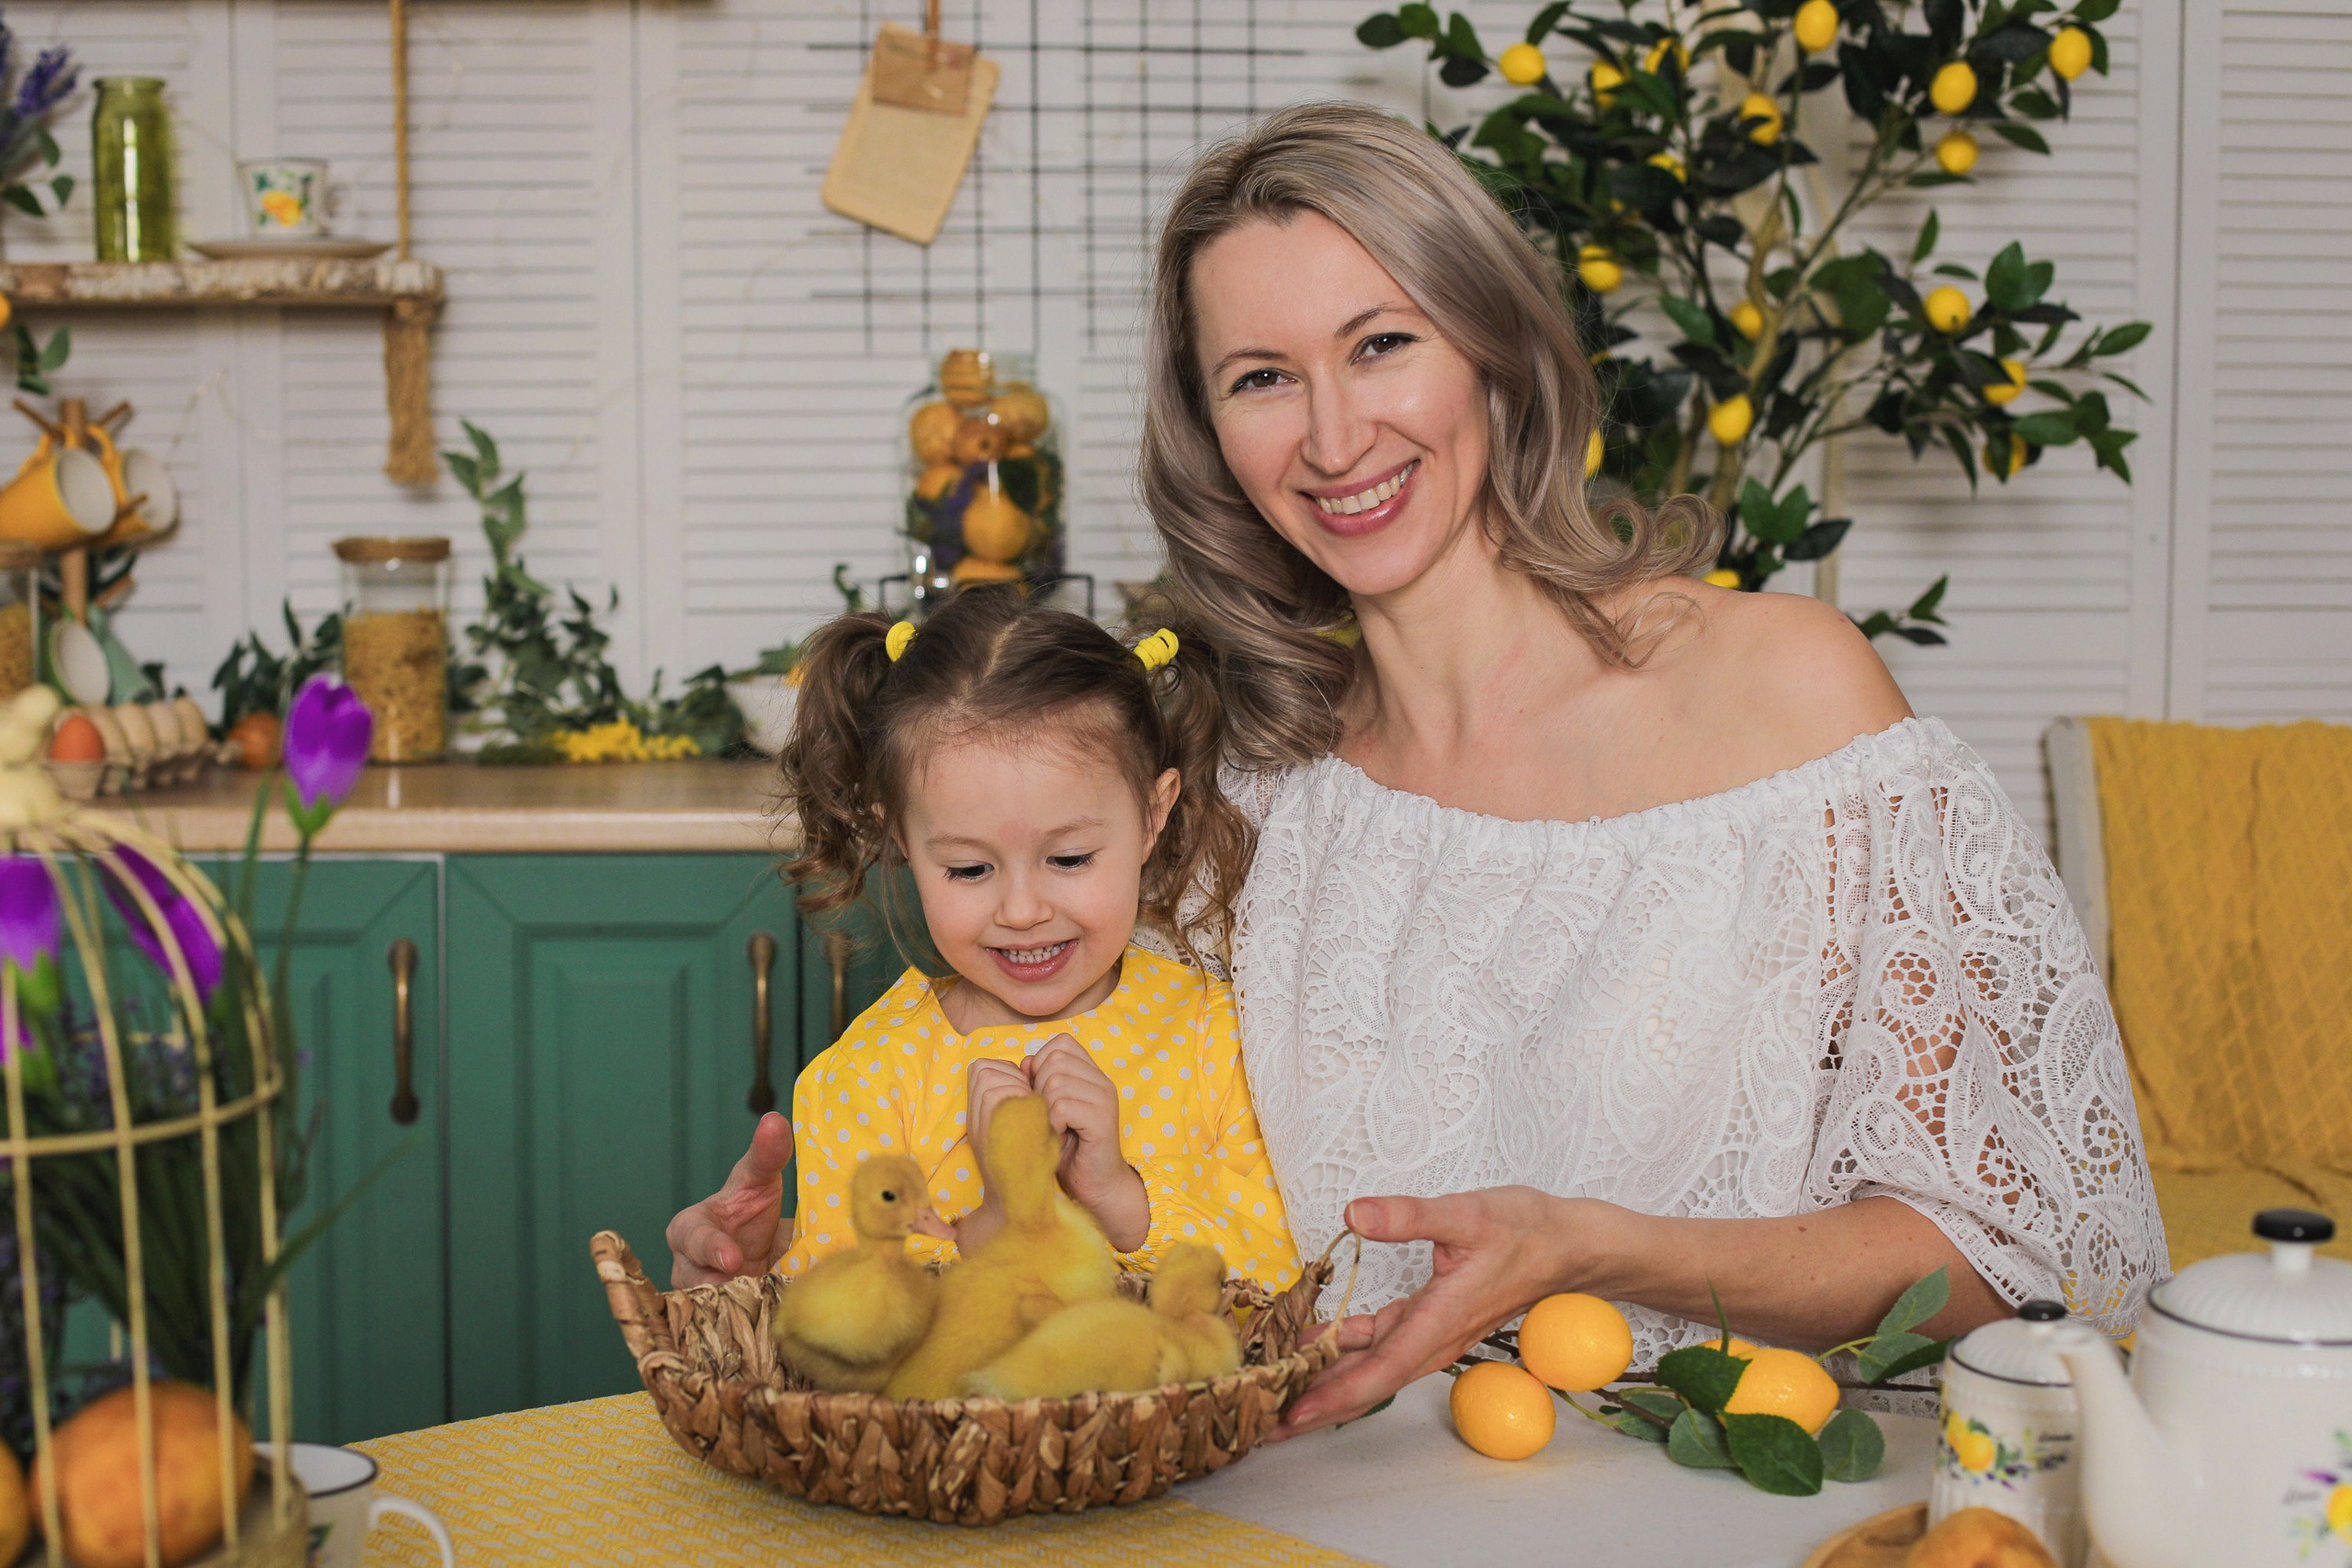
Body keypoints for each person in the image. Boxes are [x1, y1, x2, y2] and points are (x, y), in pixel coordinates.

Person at [671, 100, 2164, 1437]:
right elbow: (1090, 1193)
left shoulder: (1790, 696)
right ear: (1211, 429)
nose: (1334, 437)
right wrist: (819, 1273)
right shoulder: (1232, 778)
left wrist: (1602, 1249)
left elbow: (2017, 1253)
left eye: (1381, 344)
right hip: (1299, 1505)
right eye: (1263, 376)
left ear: (1494, 348)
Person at [756, 588, 1296, 1288]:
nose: (1021, 910)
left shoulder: (1216, 1038)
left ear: (1153, 814)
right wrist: (999, 1218)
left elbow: (1289, 1283)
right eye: (969, 868)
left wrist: (1121, 1200)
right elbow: (833, 1313)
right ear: (902, 839)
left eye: (1068, 858)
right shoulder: (864, 1079)